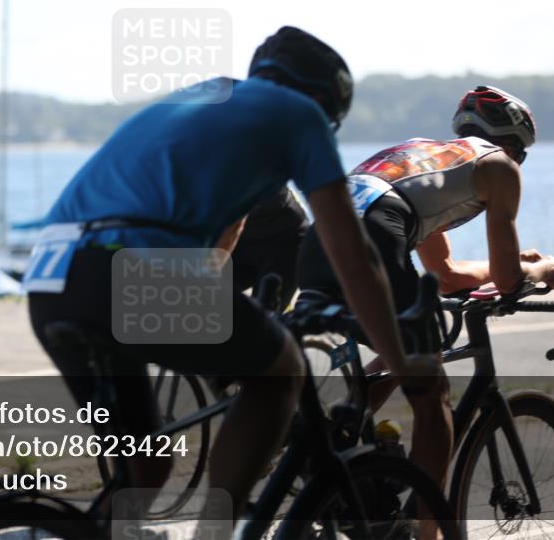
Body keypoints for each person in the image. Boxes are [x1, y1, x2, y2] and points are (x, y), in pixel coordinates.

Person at [25, 26, 441, 532]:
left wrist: (207, 292)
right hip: (124, 271)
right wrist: (399, 360)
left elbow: (225, 222)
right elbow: (353, 255)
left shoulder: (206, 97)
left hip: (51, 277)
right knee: (281, 370)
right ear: (320, 100)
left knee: (147, 465)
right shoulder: (298, 112)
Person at [297, 84, 554, 504]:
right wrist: (540, 269)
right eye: (523, 152)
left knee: (400, 349)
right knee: (433, 395)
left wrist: (516, 260)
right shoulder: (499, 166)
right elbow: (507, 279)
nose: (519, 160)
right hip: (377, 236)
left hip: (320, 240)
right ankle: (429, 530)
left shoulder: (422, 156)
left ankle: (332, 442)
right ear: (513, 144)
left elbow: (445, 274)